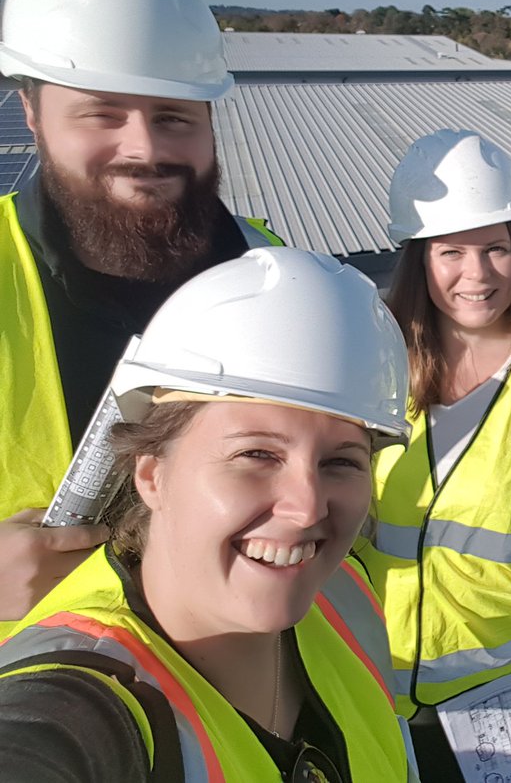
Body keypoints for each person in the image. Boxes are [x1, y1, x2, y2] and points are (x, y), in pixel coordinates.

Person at [0, 247, 413, 781]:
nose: (307, 505)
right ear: (151, 474)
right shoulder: (81, 704)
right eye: (256, 455)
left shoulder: (346, 595)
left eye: (340, 462)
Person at [0, 0, 282, 632]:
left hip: (238, 689)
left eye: (173, 116)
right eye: (102, 112)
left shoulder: (269, 273)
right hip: (43, 709)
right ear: (31, 112)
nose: (145, 148)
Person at [362, 129, 511, 782]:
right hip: (370, 675)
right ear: (420, 258)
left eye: (496, 248)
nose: (478, 273)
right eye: (452, 251)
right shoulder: (371, 367)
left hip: (502, 686)